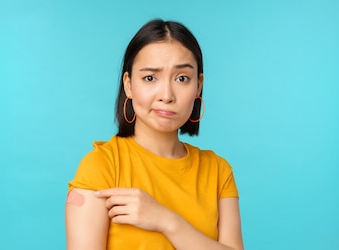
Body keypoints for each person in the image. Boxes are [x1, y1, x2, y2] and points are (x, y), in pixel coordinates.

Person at [65, 19, 244, 250]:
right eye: (150, 78)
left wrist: (167, 222)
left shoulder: (219, 172)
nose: (167, 95)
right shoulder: (102, 167)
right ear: (128, 85)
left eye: (182, 78)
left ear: (198, 85)